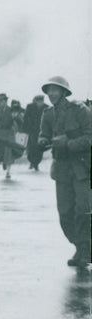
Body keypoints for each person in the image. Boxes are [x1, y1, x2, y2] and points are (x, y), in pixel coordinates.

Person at [37, 76, 91, 268]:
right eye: (49, 90)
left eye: (55, 90)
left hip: (82, 167)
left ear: (64, 92)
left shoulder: (80, 110)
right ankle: (80, 246)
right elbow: (43, 134)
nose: (51, 94)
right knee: (65, 214)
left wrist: (68, 144)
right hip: (61, 169)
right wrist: (42, 141)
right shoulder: (48, 114)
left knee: (83, 210)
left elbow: (90, 137)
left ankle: (85, 249)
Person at [23, 95, 47, 170]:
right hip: (32, 130)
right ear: (36, 101)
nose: (40, 103)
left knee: (40, 147)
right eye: (38, 101)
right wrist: (25, 130)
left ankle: (36, 163)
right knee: (32, 147)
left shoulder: (47, 107)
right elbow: (25, 118)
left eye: (41, 101)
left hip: (42, 131)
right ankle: (32, 162)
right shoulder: (30, 107)